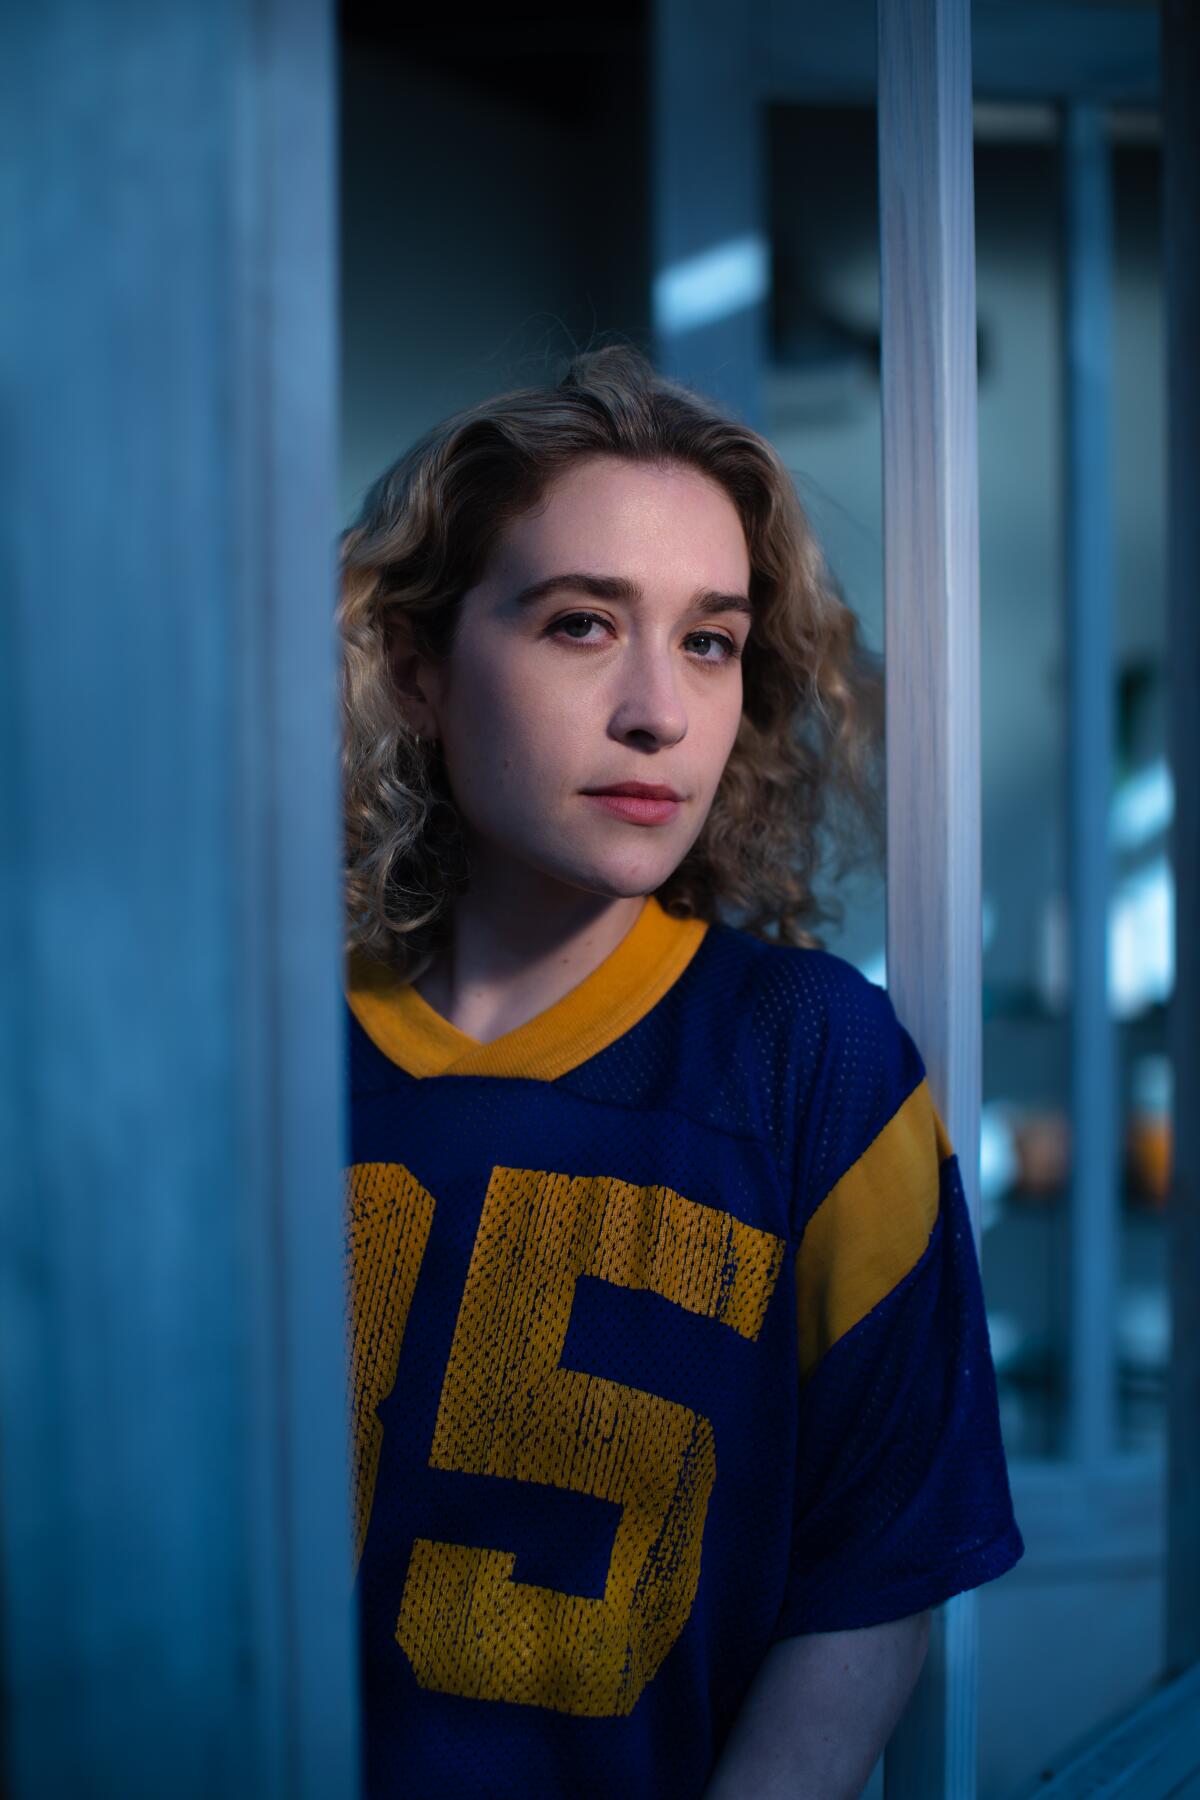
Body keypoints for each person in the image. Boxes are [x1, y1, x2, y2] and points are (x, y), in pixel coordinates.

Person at [336, 342, 1024, 1800]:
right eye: (583, 625)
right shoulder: (260, 1057)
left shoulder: (814, 1062)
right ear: (415, 666)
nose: (659, 710)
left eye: (708, 640)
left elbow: (881, 1561)